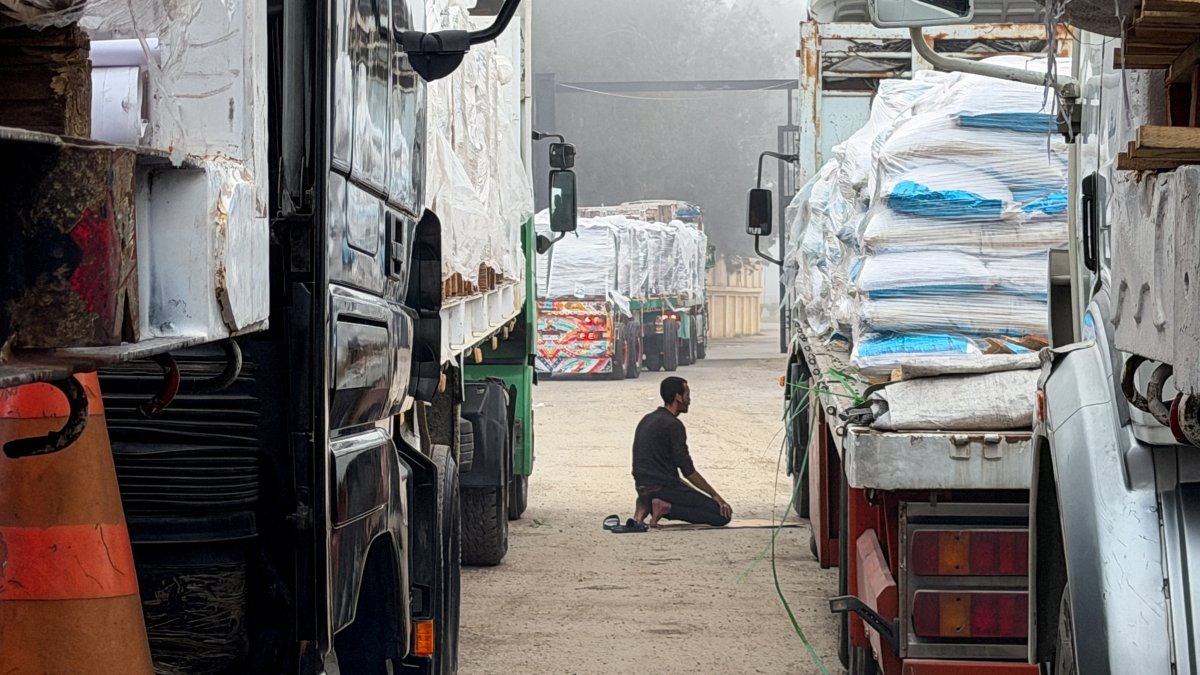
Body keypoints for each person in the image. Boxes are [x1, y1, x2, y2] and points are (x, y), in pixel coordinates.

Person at [631, 376, 732, 527]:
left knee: (690, 497)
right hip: (662, 488)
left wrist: (696, 493)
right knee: (721, 515)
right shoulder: (673, 425)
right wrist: (715, 496)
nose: (689, 401)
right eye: (687, 396)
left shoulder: (647, 419)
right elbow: (688, 471)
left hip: (642, 487)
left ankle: (646, 504)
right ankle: (665, 507)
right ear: (678, 397)